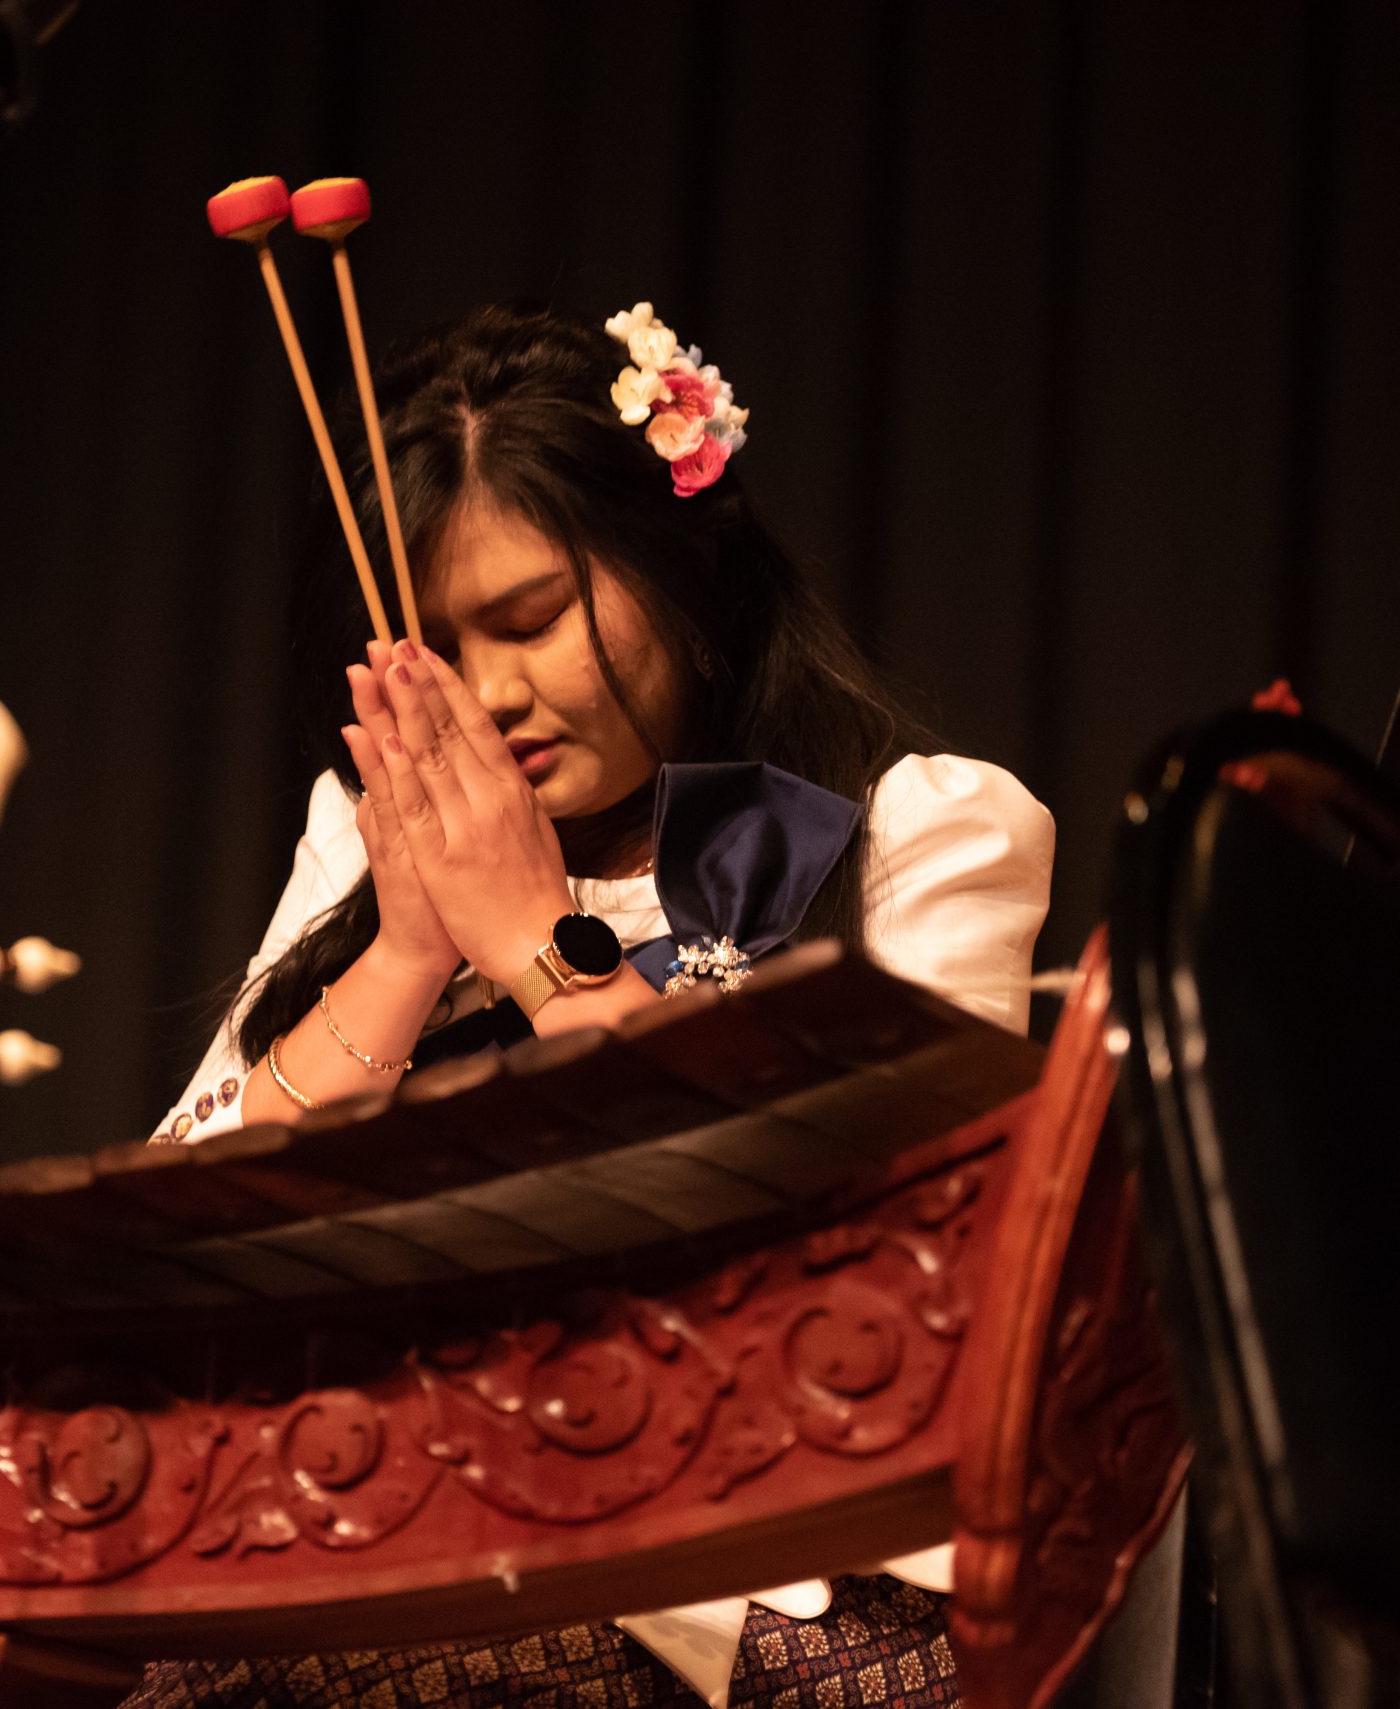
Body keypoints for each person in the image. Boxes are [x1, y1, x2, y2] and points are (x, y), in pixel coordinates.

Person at [136, 301, 1053, 1707]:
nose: (490, 694)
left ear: (683, 566)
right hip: (418, 1537)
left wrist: (532, 940)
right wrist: (402, 954)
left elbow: (906, 1280)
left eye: (533, 619)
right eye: (440, 646)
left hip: (781, 1577)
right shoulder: (370, 845)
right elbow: (162, 1242)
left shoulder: (915, 832)